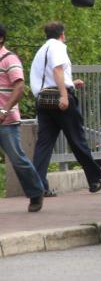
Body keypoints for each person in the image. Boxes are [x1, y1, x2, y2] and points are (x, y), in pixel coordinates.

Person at [30, 22, 101, 196]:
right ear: (62, 34)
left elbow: (47, 76)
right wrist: (64, 95)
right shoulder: (58, 46)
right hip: (59, 101)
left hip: (43, 101)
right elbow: (57, 70)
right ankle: (96, 179)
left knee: (44, 144)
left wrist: (71, 82)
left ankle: (38, 186)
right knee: (77, 140)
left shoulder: (42, 50)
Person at [0, 23, 45, 212]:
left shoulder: (9, 59)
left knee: (17, 159)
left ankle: (36, 192)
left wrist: (5, 111)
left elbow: (19, 87)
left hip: (6, 121)